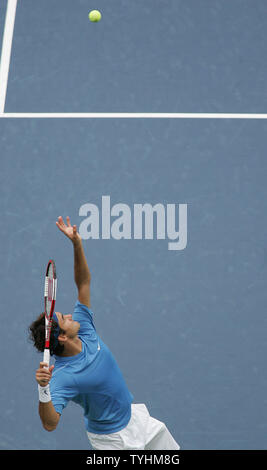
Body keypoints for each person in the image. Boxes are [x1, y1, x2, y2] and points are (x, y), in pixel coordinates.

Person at [29, 216, 180, 450]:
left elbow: (84, 283)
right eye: (63, 318)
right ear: (61, 337)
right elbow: (50, 424)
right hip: (112, 442)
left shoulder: (84, 328)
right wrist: (43, 389)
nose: (70, 315)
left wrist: (76, 244)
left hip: (137, 421)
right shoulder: (63, 376)